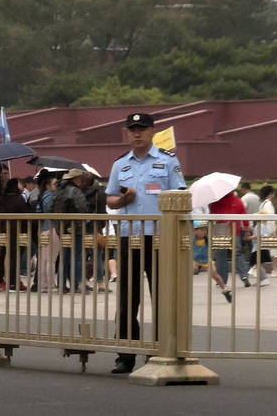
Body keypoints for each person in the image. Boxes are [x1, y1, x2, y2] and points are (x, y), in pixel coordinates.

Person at [105, 112, 186, 375]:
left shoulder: (167, 161)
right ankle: (125, 354)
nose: (136, 133)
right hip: (130, 236)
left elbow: (180, 195)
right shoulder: (120, 164)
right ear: (126, 132)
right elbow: (110, 201)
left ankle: (161, 349)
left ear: (152, 131)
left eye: (142, 129)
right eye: (132, 129)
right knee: (128, 298)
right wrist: (122, 201)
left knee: (161, 295)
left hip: (160, 237)